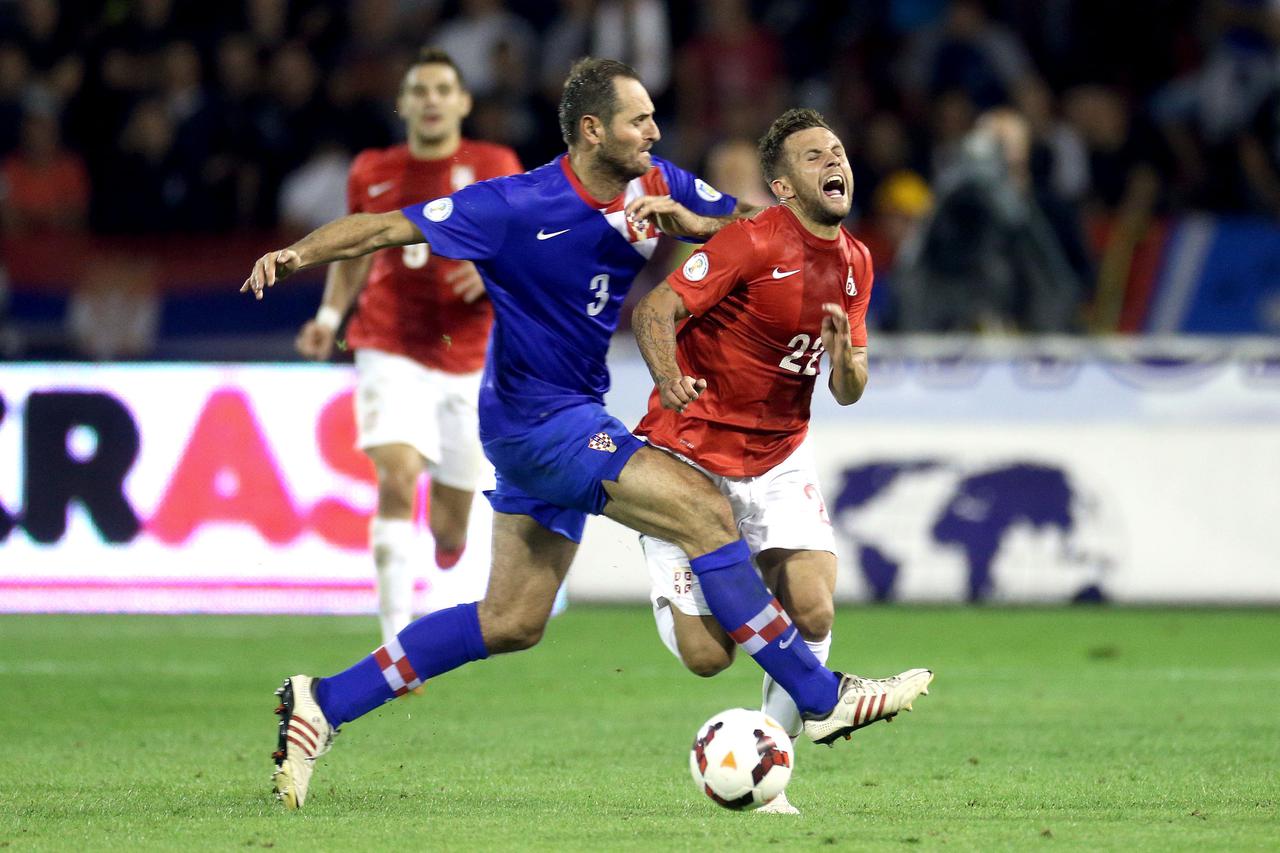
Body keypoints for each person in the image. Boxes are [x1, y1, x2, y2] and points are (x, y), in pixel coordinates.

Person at [243, 58, 933, 810]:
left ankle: (324, 700)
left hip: (568, 410)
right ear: (593, 130)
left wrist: (692, 222)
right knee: (703, 509)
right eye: (640, 120)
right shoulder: (513, 204)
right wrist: (294, 255)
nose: (655, 132)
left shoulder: (656, 182)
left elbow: (752, 225)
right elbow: (387, 226)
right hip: (539, 420)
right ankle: (823, 694)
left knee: (511, 619)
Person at [630, 108, 883, 816]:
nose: (834, 161)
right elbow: (655, 310)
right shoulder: (750, 241)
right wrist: (670, 378)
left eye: (837, 149)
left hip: (776, 456)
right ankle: (667, 564)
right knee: (708, 656)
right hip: (688, 456)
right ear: (783, 184)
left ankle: (771, 771)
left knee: (814, 603)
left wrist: (844, 363)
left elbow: (849, 386)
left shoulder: (857, 261)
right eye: (813, 156)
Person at [293, 48, 522, 646]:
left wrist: (495, 269)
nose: (431, 100)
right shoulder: (372, 168)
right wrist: (327, 316)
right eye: (419, 90)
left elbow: (528, 241)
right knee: (396, 478)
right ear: (402, 104)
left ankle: (445, 554)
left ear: (463, 102)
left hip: (469, 357)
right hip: (388, 342)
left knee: (450, 529)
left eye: (443, 89)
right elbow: (355, 250)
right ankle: (394, 639)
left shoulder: (495, 163)